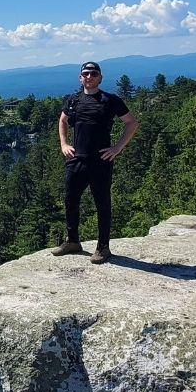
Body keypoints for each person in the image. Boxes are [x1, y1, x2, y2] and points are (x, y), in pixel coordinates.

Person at [52, 61, 138, 262]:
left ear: (100, 77)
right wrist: (64, 143)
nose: (89, 76)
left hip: (100, 160)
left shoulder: (110, 100)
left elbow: (132, 123)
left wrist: (117, 148)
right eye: (86, 73)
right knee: (71, 200)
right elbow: (63, 121)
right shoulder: (73, 100)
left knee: (102, 203)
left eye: (93, 73)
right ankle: (73, 241)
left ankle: (103, 247)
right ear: (80, 77)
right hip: (77, 159)